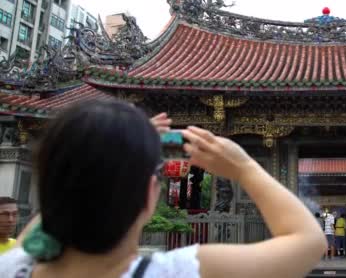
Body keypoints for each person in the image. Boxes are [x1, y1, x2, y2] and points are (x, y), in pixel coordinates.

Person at [0, 99, 326, 278]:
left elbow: (69, 188)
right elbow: (309, 241)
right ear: (148, 195)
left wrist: (102, 150)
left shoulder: (14, 267)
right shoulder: (180, 272)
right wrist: (244, 167)